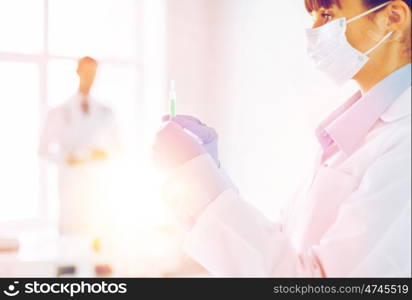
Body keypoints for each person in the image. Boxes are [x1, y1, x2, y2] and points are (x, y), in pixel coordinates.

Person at [153, 0, 411, 277]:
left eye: (327, 14)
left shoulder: (403, 143)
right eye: (313, 16)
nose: (313, 30)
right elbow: (283, 250)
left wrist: (202, 187)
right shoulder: (349, 137)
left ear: (393, 18)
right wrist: (212, 179)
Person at [39, 56, 121, 235]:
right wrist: (66, 159)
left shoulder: (106, 112)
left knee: (99, 241)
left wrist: (104, 155)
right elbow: (43, 149)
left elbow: (118, 149)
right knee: (71, 238)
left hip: (98, 184)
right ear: (77, 73)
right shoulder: (59, 112)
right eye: (86, 73)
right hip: (70, 182)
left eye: (93, 73)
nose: (90, 78)